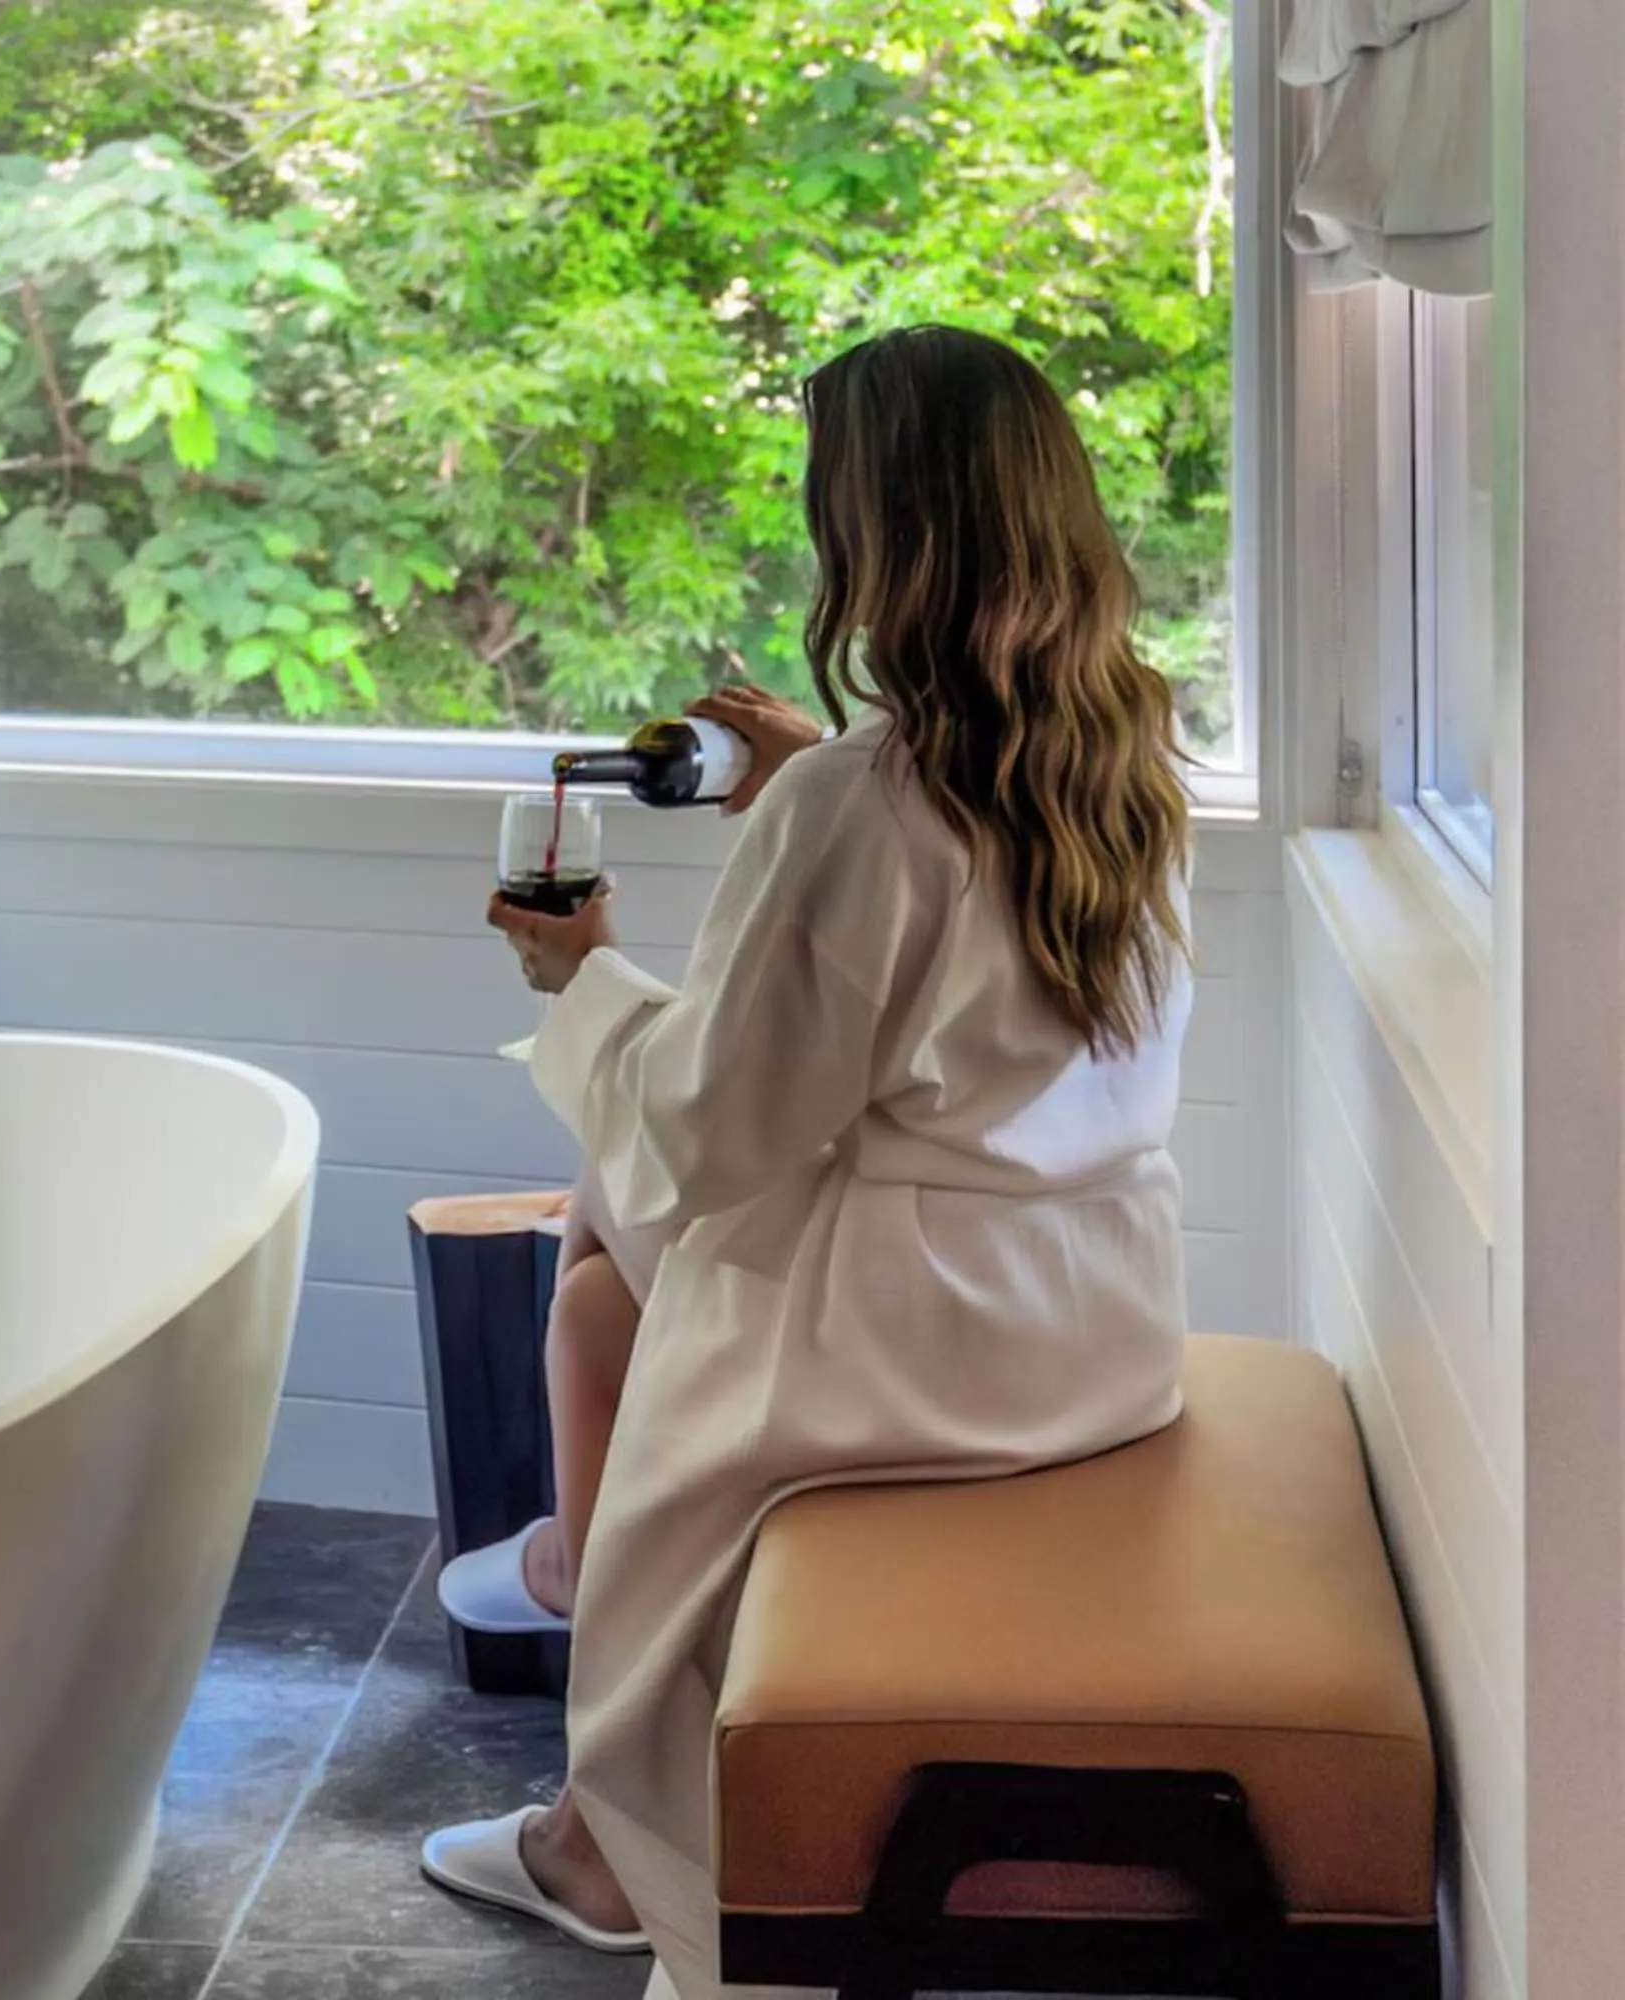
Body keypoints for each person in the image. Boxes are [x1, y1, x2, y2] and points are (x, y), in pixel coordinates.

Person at [417, 324, 1196, 2000]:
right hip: (1097, 1320)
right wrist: (795, 797)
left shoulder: (864, 801)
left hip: (923, 1352)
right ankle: (587, 1747)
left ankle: (602, 1788)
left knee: (621, 1216)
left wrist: (579, 972)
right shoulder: (1121, 745)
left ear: (879, 535)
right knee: (610, 1245)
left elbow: (712, 1125)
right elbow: (940, 1009)